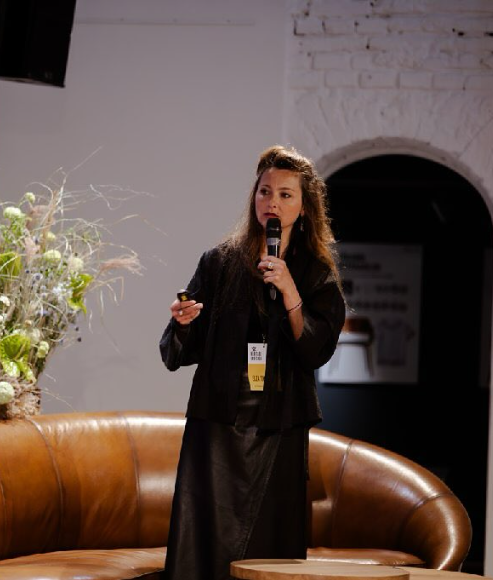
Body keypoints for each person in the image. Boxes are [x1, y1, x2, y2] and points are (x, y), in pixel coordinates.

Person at [159, 145, 346, 580]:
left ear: (304, 207)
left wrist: (289, 289)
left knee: (268, 548)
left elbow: (315, 350)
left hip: (278, 422)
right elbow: (178, 352)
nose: (272, 203)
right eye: (265, 192)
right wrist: (183, 322)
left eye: (285, 194)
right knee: (203, 546)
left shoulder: (315, 272)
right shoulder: (219, 262)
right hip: (217, 422)